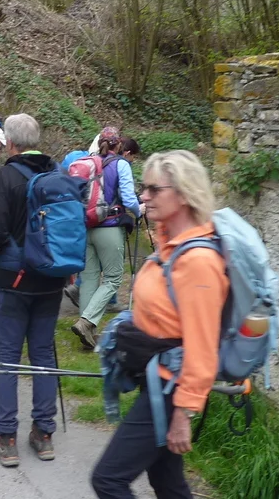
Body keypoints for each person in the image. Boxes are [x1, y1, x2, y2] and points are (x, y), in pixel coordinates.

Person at [90, 150, 228, 499]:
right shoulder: (171, 247)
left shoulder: (198, 261)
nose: (143, 196)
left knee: (108, 480)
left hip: (169, 392)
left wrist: (183, 413)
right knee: (167, 483)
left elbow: (202, 346)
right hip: (158, 382)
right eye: (143, 188)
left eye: (154, 189)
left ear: (182, 194)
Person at [0, 113, 65, 468]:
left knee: (8, 357)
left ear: (11, 143)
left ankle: (7, 438)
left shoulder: (6, 176)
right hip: (51, 278)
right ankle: (44, 434)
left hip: (13, 279)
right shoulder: (57, 174)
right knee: (43, 354)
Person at [71, 127, 141, 349]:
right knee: (112, 278)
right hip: (109, 226)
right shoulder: (121, 164)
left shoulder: (89, 162)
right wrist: (140, 211)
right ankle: (87, 321)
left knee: (89, 277)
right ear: (118, 145)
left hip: (86, 226)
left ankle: (87, 331)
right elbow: (129, 200)